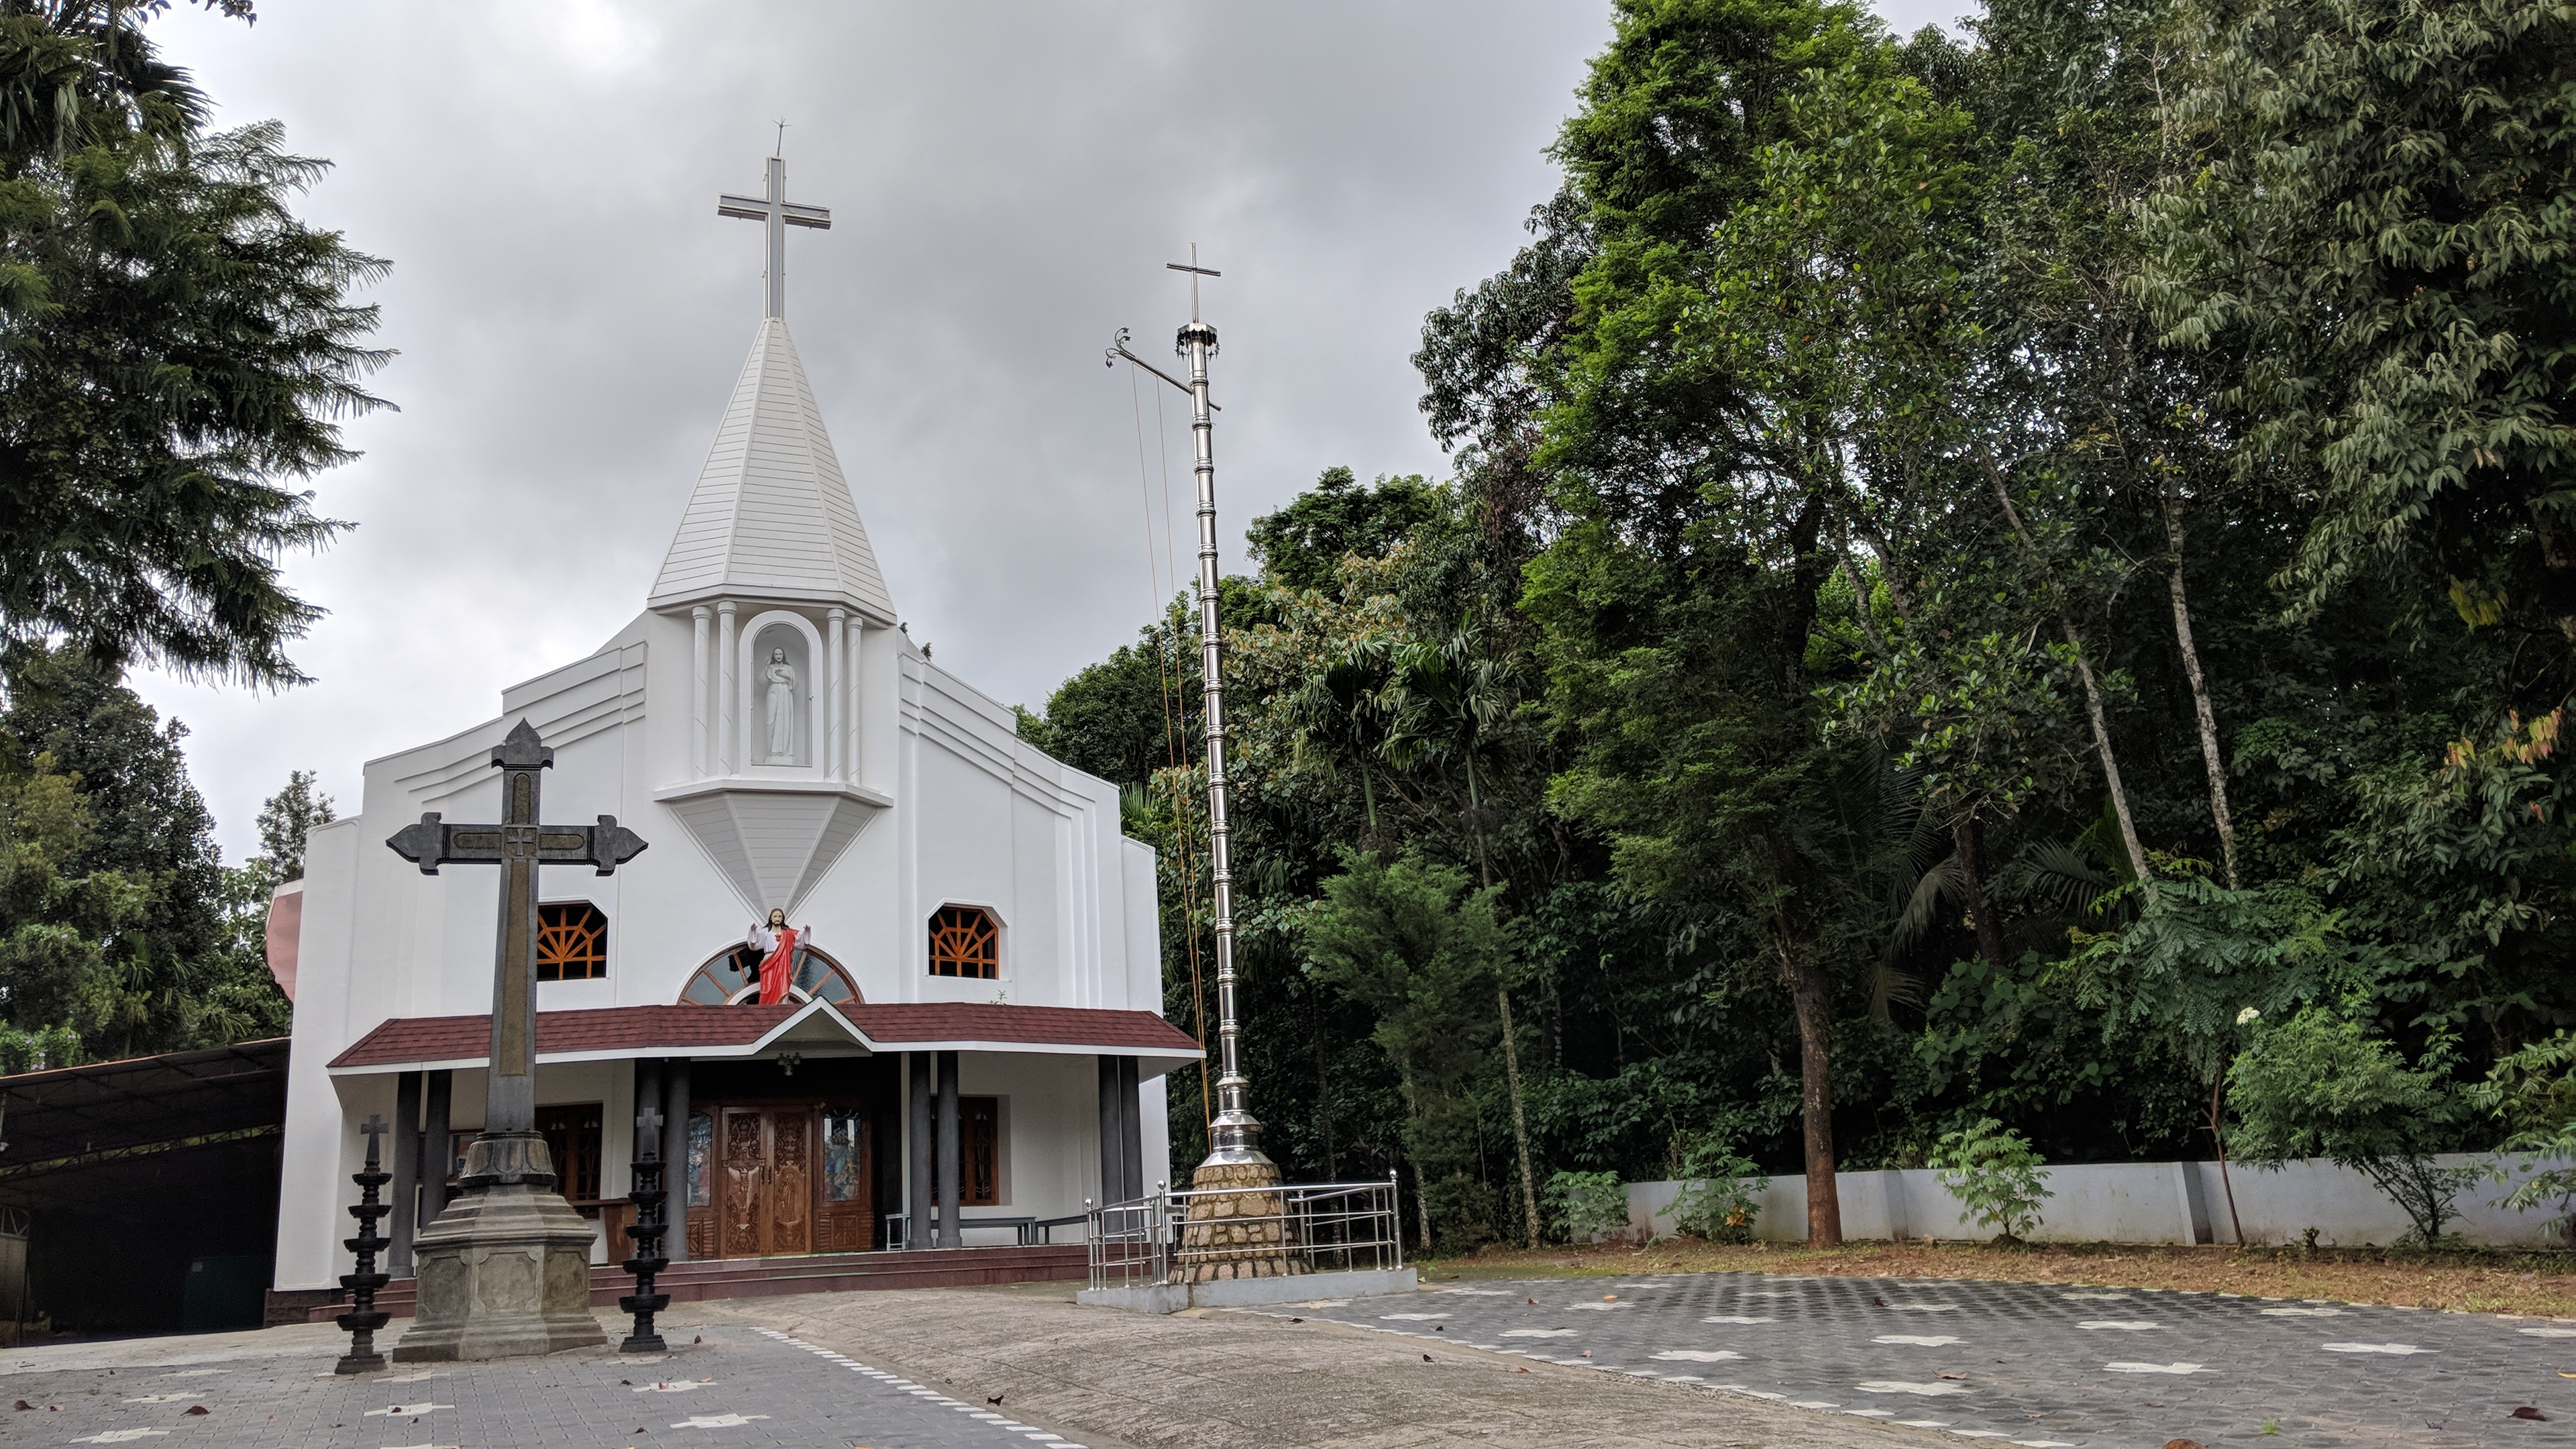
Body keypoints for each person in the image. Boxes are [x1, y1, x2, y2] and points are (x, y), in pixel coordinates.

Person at [745, 908, 806, 1006]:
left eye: (779, 916)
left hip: (783, 961)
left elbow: (799, 938)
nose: (777, 918)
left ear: (782, 919)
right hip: (769, 961)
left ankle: (781, 1005)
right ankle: (767, 1005)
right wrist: (753, 931)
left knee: (782, 984)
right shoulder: (766, 932)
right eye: (775, 916)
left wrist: (807, 932)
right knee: (767, 986)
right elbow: (754, 943)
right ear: (771, 919)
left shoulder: (788, 933)